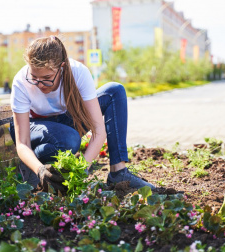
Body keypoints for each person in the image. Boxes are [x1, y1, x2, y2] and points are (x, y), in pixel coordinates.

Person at [9, 35, 155, 192]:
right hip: (34, 129)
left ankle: (118, 172)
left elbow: (99, 131)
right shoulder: (21, 82)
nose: (39, 84)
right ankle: (33, 167)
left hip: (63, 125)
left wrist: (81, 169)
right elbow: (22, 143)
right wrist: (40, 170)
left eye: (47, 78)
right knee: (69, 139)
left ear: (62, 67)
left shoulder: (78, 73)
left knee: (114, 91)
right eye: (34, 77)